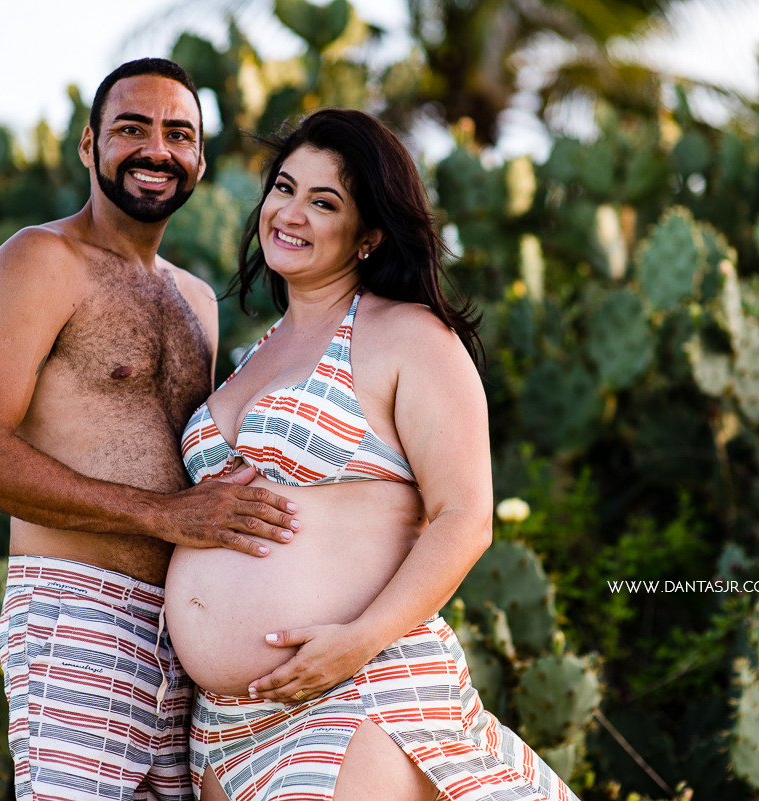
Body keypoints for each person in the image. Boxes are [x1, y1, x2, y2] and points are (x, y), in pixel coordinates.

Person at [166, 109, 582, 801]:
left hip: (354, 691)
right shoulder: (249, 356)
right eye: (284, 188)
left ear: (369, 235)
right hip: (224, 726)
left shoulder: (406, 335)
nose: (290, 213)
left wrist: (356, 641)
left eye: (323, 201)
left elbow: (465, 515)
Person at [0, 59, 302, 801]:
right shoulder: (40, 259)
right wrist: (163, 516)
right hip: (77, 609)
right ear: (88, 145)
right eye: (132, 128)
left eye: (179, 134)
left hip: (180, 633)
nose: (156, 150)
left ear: (200, 158)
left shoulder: (197, 299)